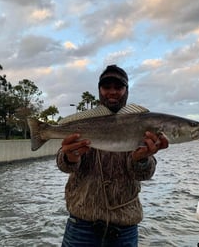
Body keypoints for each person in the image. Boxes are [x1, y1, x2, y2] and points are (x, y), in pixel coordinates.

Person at [56, 65, 169, 247]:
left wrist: (141, 159)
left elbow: (144, 175)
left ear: (126, 91)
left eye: (118, 87)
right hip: (81, 224)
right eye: (106, 87)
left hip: (124, 227)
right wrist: (71, 156)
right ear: (100, 91)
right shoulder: (86, 123)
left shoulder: (143, 123)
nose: (112, 92)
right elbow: (64, 164)